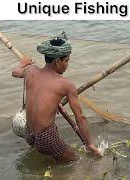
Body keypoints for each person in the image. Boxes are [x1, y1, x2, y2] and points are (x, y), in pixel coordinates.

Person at [11, 32, 101, 162]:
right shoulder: (66, 84)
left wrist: (23, 62)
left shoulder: (31, 70)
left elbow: (15, 72)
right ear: (58, 61)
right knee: (76, 161)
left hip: (29, 133)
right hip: (46, 138)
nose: (67, 65)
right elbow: (80, 117)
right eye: (67, 61)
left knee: (50, 158)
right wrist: (90, 144)